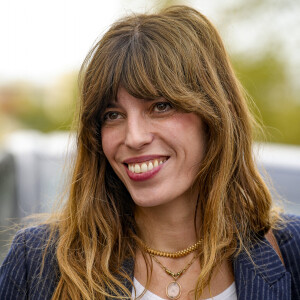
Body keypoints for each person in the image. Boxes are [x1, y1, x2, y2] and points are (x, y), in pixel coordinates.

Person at [0, 5, 299, 300]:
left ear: (215, 117)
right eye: (113, 115)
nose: (134, 137)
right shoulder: (37, 263)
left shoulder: (292, 253)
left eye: (160, 106)